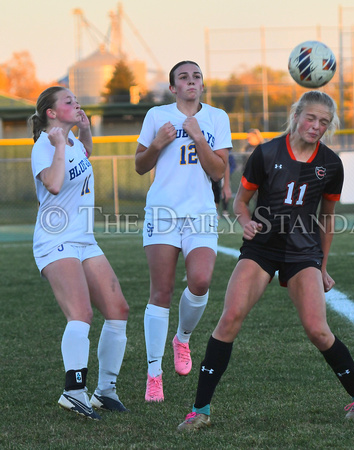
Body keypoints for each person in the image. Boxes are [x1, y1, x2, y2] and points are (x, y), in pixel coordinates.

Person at [177, 90, 354, 431]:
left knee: (318, 330)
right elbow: (239, 203)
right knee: (229, 319)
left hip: (303, 253)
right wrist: (245, 222)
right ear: (297, 115)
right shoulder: (267, 152)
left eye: (324, 122)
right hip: (261, 248)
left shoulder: (330, 164)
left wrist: (322, 267)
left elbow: (327, 218)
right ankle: (200, 410)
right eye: (311, 118)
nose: (316, 127)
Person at [30, 87, 130, 420]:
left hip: (84, 239)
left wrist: (84, 133)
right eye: (68, 101)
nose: (77, 103)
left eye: (76, 99)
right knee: (82, 313)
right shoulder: (45, 146)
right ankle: (73, 391)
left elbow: (83, 156)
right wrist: (59, 145)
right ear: (51, 114)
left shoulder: (69, 143)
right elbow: (55, 184)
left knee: (118, 309)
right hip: (55, 240)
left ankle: (105, 391)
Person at [135, 61, 232, 402]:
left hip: (200, 212)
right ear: (173, 87)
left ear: (202, 85)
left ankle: (182, 338)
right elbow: (140, 165)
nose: (191, 81)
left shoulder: (217, 118)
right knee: (160, 293)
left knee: (201, 280)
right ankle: (153, 375)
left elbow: (219, 171)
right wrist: (159, 143)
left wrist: (196, 136)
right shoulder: (156, 116)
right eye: (183, 77)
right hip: (162, 212)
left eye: (196, 76)